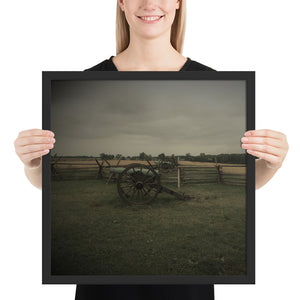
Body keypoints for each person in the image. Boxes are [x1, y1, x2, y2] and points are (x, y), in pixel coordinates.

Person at [14, 0, 289, 299]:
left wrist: (272, 163)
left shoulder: (212, 76)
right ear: (120, 2)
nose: (149, 3)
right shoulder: (82, 78)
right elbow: (46, 187)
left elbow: (252, 182)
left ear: (178, 3)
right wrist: (31, 164)